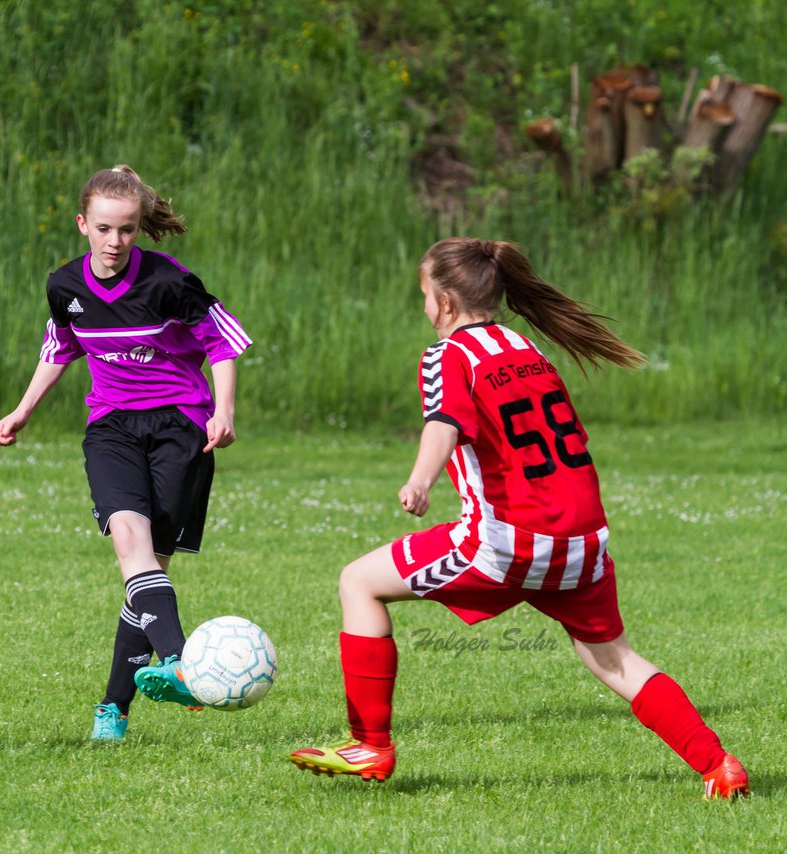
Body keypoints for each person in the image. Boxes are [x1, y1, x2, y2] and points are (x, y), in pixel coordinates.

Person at [288, 237, 748, 799]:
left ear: (446, 303)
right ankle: (719, 766)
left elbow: (444, 422)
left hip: (506, 543)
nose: (426, 308)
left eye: (426, 296)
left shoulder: (448, 354)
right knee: (614, 659)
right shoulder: (529, 350)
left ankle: (370, 745)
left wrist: (419, 480)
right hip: (583, 541)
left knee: (358, 581)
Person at [0, 165, 252, 742]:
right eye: (105, 229)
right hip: (110, 428)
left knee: (149, 570)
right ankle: (183, 662)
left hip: (181, 428)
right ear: (83, 224)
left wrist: (224, 411)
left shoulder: (169, 281)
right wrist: (23, 409)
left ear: (139, 229)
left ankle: (114, 707)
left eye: (128, 230)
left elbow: (224, 342)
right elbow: (60, 346)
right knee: (131, 546)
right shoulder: (65, 286)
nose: (115, 242)